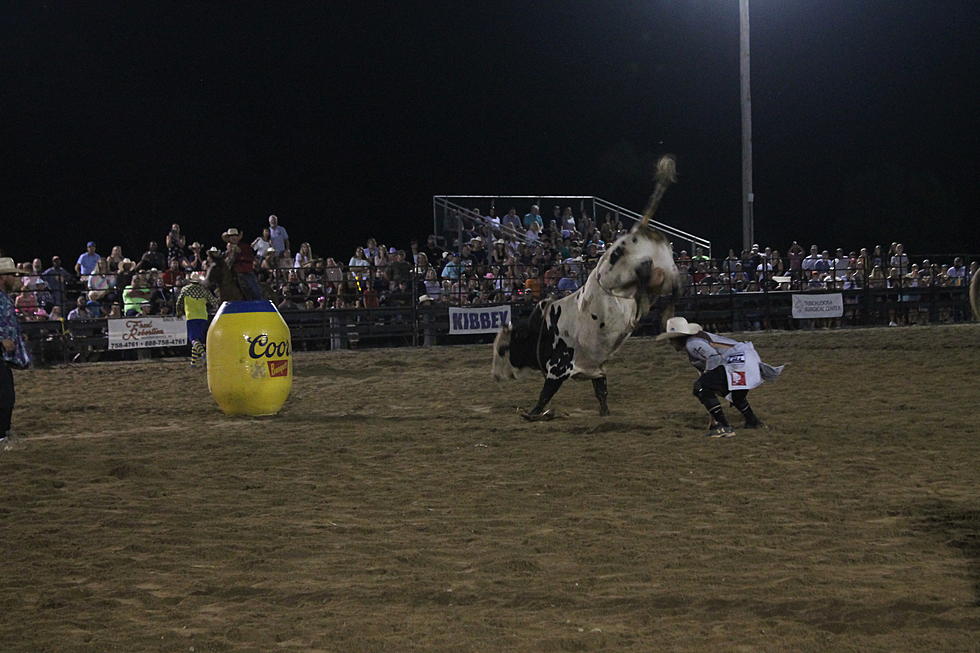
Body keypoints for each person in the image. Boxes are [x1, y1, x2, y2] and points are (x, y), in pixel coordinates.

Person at [657, 316, 784, 438]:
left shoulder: (692, 344)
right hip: (745, 360)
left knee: (700, 387)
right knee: (728, 392)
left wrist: (707, 380)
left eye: (672, 339)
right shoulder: (696, 341)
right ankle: (753, 422)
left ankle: (723, 426)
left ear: (678, 338)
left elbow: (714, 357)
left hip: (737, 362)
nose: (670, 342)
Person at [1, 257, 31, 444]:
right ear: (3, 277)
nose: (17, 278)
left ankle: (4, 432)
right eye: (14, 275)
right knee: (5, 396)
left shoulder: (5, 298)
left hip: (4, 355)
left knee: (6, 394)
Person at [175, 271, 219, 367]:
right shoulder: (204, 290)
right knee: (198, 340)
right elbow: (214, 301)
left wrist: (178, 312)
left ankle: (204, 355)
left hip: (191, 317)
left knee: (193, 339)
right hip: (203, 317)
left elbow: (179, 302)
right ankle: (193, 362)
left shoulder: (185, 289)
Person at [222, 227, 264, 300]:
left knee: (255, 290)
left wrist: (240, 256)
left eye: (235, 236)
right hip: (232, 272)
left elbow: (250, 257)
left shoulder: (245, 246)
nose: (233, 238)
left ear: (238, 237)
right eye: (231, 236)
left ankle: (258, 303)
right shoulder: (228, 249)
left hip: (245, 271)